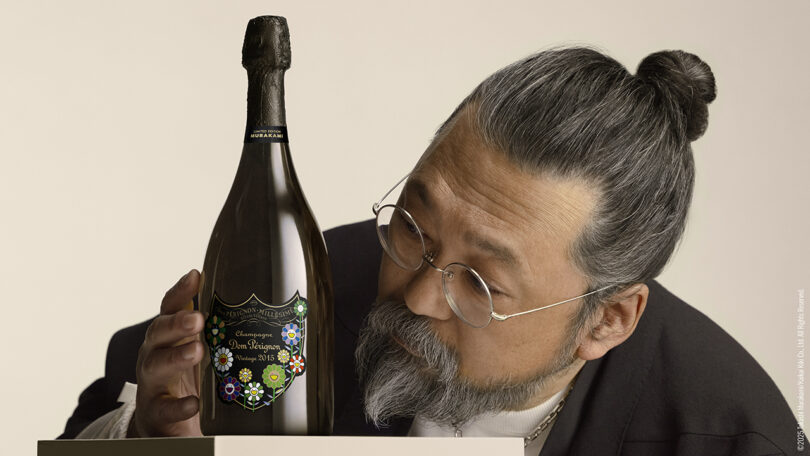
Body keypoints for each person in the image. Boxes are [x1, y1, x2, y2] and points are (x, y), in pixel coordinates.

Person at [59, 46, 803, 455]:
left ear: (607, 319)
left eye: (479, 281)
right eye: (414, 226)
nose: (413, 296)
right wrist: (150, 443)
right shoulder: (302, 295)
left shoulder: (728, 436)